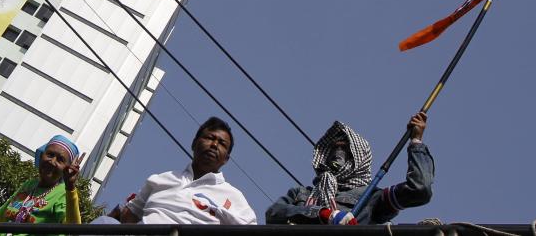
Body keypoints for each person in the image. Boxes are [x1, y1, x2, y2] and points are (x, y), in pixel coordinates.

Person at [265, 112, 434, 225]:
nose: (336, 154)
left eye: (344, 149)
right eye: (332, 149)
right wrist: (325, 214)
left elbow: (419, 190)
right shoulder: (301, 193)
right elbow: (273, 214)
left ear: (359, 157)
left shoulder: (371, 197)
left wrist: (416, 142)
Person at [94, 117, 256, 225]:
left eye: (222, 143)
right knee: (104, 223)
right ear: (194, 144)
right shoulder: (160, 180)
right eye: (210, 138)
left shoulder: (234, 197)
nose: (214, 145)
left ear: (226, 159)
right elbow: (130, 216)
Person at [0, 135, 84, 225]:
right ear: (42, 156)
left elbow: (73, 231)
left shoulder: (64, 193)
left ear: (66, 168)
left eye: (60, 160)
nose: (52, 161)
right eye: (50, 155)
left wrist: (70, 187)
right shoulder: (29, 185)